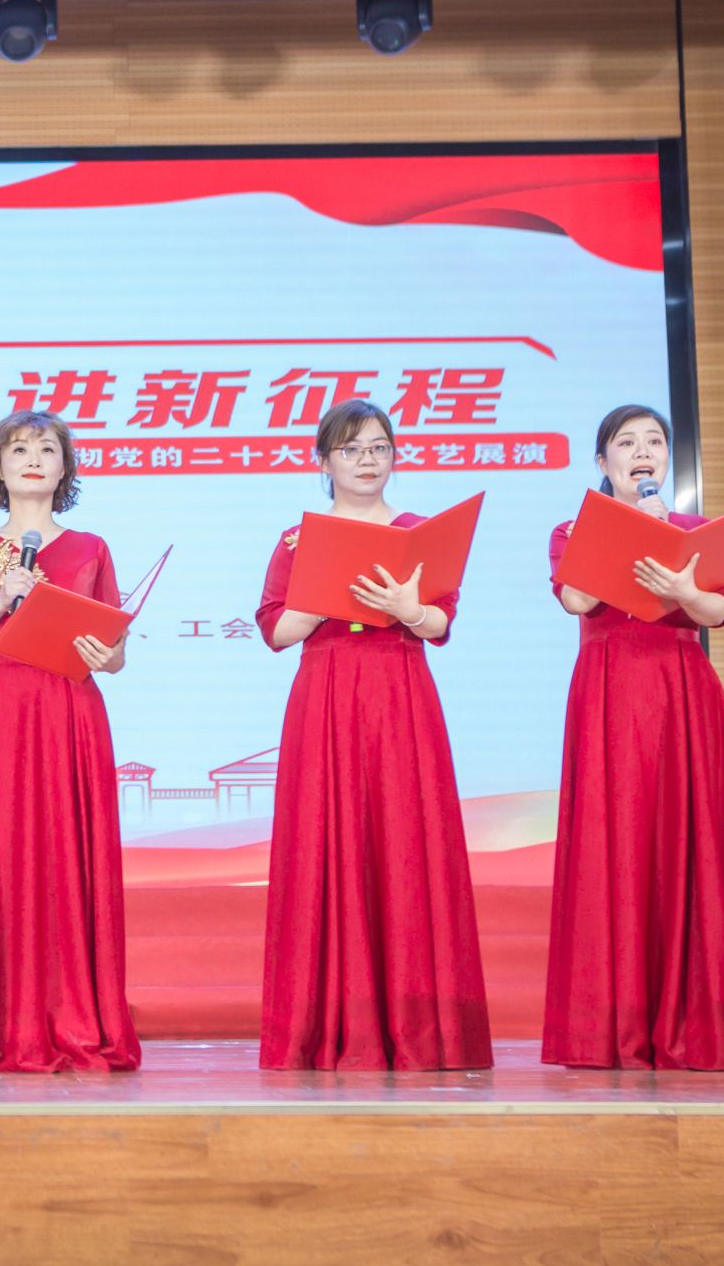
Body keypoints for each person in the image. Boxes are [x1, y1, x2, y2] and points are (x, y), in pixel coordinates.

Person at [541, 404, 724, 1069]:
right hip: (608, 690)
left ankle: (698, 1019)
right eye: (627, 442)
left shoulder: (696, 531)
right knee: (614, 841)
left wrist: (683, 585)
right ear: (603, 461)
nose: (643, 451)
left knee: (688, 839)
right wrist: (630, 534)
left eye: (654, 440)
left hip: (681, 691)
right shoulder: (573, 529)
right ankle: (613, 1022)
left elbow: (717, 610)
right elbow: (576, 600)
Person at [254, 399, 491, 1070]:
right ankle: (329, 1024)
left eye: (379, 448)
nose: (367, 460)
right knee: (326, 840)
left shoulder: (419, 532)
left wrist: (407, 608)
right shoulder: (299, 539)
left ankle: (419, 1025)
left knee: (406, 841)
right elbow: (276, 630)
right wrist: (324, 595)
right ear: (324, 461)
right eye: (351, 449)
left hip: (399, 689)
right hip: (327, 692)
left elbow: (439, 623)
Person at [0, 410, 140, 1073]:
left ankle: (74, 1015)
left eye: (48, 448)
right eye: (19, 449)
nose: (34, 459)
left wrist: (104, 653)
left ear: (65, 467)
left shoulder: (91, 547)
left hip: (67, 707)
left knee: (66, 856)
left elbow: (115, 655)